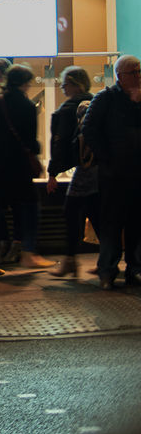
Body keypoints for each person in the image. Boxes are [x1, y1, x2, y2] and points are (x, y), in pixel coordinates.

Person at [0, 64, 53, 277]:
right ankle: (28, 252)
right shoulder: (27, 105)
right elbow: (30, 140)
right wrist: (33, 152)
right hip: (17, 167)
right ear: (24, 83)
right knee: (30, 207)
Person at [80, 55, 141, 290]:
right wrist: (106, 158)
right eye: (133, 73)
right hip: (114, 175)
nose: (138, 77)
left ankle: (135, 269)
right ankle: (108, 271)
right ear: (120, 76)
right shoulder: (105, 98)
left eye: (139, 72)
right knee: (112, 226)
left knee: (136, 224)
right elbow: (89, 129)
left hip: (136, 173)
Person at [45, 66, 99, 278]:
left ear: (76, 84)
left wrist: (52, 172)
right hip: (97, 167)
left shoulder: (69, 109)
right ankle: (106, 259)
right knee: (94, 212)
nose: (63, 88)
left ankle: (71, 261)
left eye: (65, 84)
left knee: (71, 212)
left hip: (85, 169)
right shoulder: (96, 102)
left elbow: (60, 142)